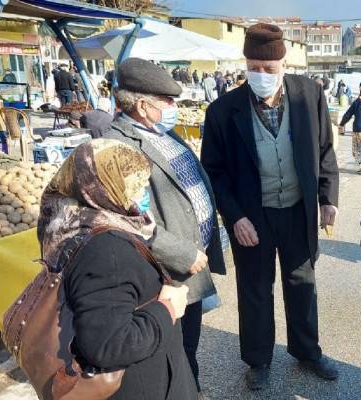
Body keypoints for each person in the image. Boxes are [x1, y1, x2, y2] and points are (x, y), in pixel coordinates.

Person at [201, 23, 340, 391]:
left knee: (302, 282)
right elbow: (214, 172)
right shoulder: (223, 110)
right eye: (253, 68)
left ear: (284, 63)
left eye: (269, 68)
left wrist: (328, 198)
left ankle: (307, 351)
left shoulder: (309, 94)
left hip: (298, 209)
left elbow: (325, 149)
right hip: (252, 215)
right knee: (256, 289)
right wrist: (235, 216)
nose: (261, 75)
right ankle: (258, 359)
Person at [37, 139, 198, 400]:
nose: (143, 190)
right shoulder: (106, 249)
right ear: (104, 187)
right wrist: (167, 308)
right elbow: (108, 344)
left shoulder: (68, 221)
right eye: (135, 184)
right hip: (140, 385)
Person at [104, 58, 226, 398]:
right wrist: (181, 252)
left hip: (188, 269)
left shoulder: (163, 133)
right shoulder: (118, 146)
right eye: (168, 101)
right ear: (143, 105)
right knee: (170, 355)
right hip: (165, 270)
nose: (174, 107)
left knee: (188, 346)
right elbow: (128, 217)